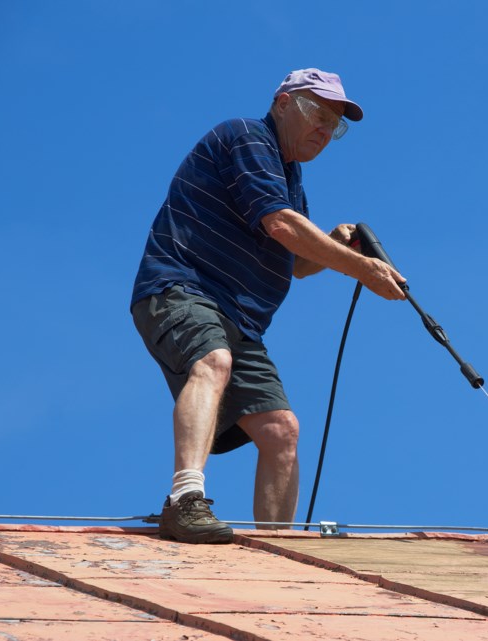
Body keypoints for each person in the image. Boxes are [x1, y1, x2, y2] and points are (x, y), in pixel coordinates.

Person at [131, 68, 405, 544]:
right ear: (283, 103)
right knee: (212, 360)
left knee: (282, 430)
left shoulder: (290, 179)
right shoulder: (248, 137)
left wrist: (332, 245)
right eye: (318, 114)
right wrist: (362, 268)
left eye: (334, 125)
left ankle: (279, 548)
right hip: (183, 289)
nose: (325, 130)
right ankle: (184, 500)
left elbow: (295, 262)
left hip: (240, 321)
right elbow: (280, 225)